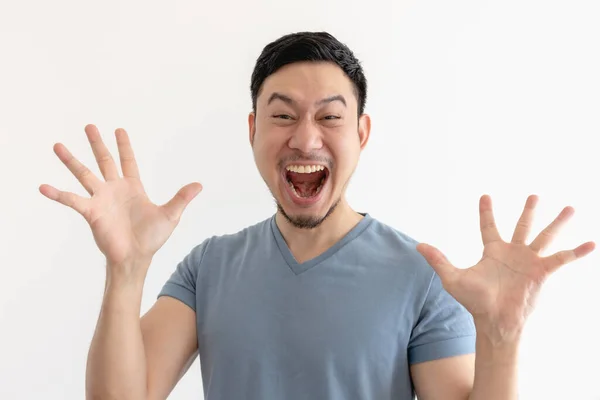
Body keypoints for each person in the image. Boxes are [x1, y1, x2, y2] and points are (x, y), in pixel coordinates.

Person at [40, 32, 595, 400]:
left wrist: (501, 334)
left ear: (361, 133)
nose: (305, 137)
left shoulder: (423, 276)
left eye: (330, 116)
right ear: (252, 129)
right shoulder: (208, 267)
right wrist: (126, 269)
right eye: (282, 115)